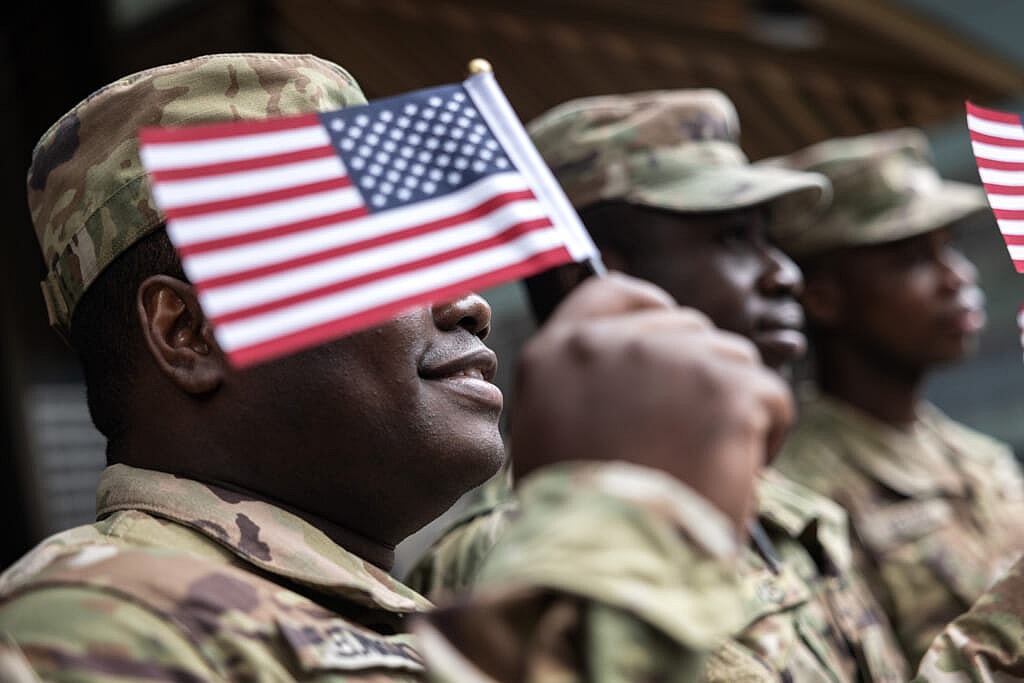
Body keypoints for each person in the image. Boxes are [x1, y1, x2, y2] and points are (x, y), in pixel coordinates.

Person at [0, 52, 797, 681]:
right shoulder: (98, 617)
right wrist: (615, 532)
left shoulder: (403, 616)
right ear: (190, 332)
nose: (471, 302)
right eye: (379, 261)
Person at [409, 88, 912, 681]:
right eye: (731, 238)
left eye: (767, 239)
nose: (784, 273)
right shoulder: (510, 552)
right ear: (601, 275)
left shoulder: (784, 509)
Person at [761, 128, 1024, 667]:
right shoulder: (798, 494)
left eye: (946, 247)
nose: (956, 277)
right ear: (824, 298)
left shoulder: (979, 460)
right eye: (909, 259)